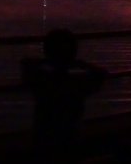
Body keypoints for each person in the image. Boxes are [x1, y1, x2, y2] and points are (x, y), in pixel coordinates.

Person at [21, 28, 106, 162]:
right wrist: (80, 64)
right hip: (71, 140)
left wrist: (48, 61)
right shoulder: (77, 85)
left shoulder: (42, 81)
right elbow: (101, 74)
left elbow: (25, 64)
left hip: (42, 141)